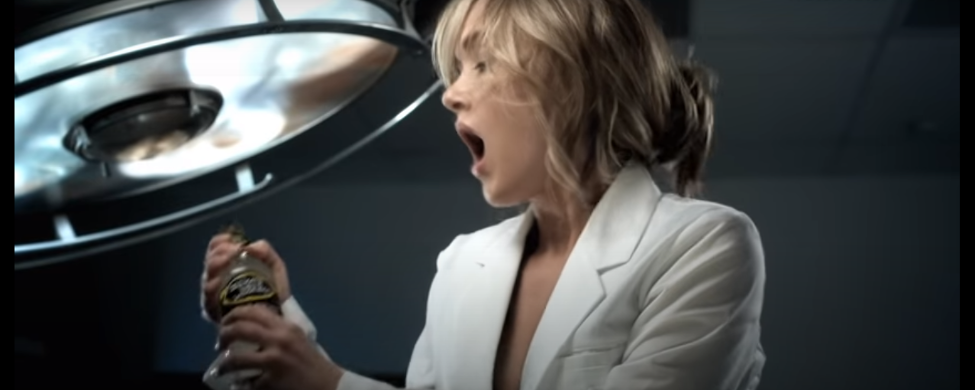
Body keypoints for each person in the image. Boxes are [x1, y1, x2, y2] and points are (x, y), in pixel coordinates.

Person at [201, 0, 766, 389]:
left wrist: (328, 385)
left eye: (482, 63)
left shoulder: (702, 245)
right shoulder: (461, 265)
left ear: (573, 78)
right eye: (456, 70)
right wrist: (278, 331)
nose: (452, 95)